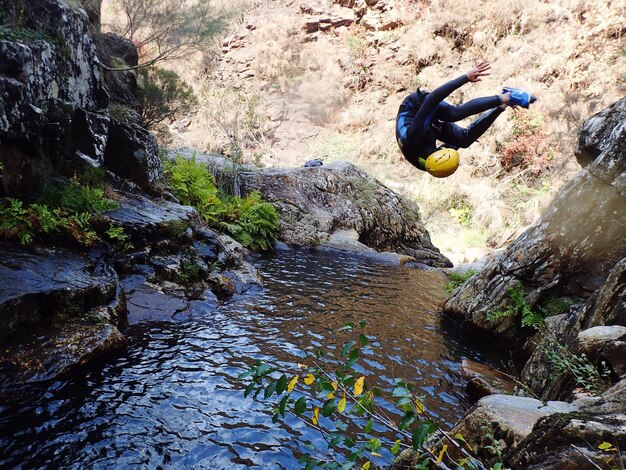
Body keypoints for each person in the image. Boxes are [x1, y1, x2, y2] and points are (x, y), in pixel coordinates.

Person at [395, 62, 535, 177]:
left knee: (454, 114)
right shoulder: (434, 165)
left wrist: (466, 77)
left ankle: (507, 96)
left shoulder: (416, 134)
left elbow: (433, 98)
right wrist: (473, 134)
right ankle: (502, 105)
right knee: (465, 140)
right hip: (427, 130)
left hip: (416, 106)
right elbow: (459, 141)